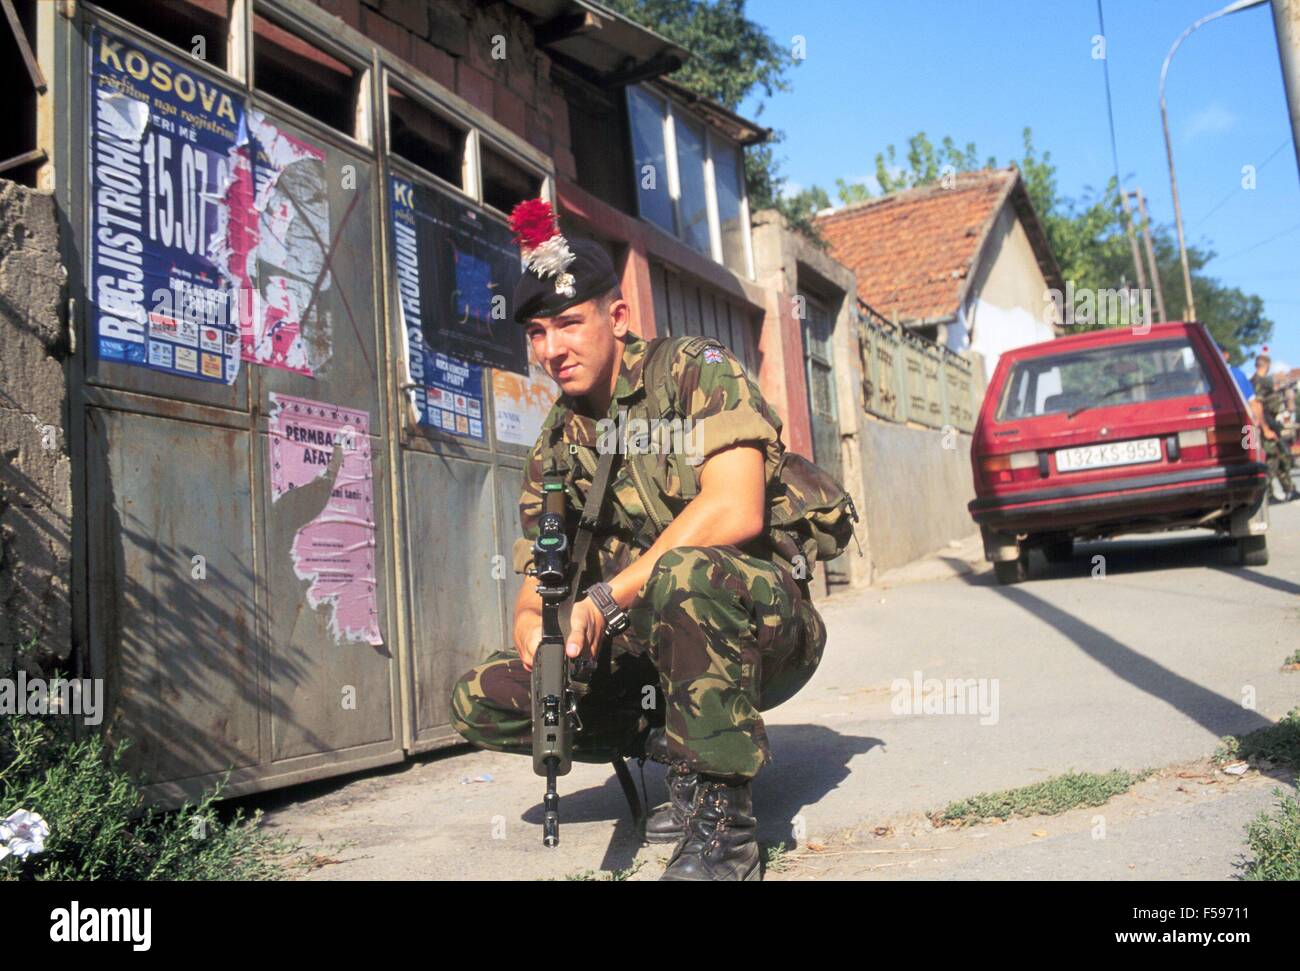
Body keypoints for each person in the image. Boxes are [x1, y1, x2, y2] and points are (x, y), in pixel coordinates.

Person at [449, 200, 827, 881]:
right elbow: (539, 577)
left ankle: (722, 830)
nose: (551, 349)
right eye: (536, 333)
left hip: (765, 625)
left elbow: (736, 507)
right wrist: (539, 632)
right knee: (482, 693)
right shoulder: (555, 447)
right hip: (655, 646)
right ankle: (684, 745)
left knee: (685, 574)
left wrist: (602, 598)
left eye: (567, 323)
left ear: (617, 318)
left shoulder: (694, 371)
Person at [1251, 353, 1296, 501]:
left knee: (1281, 456)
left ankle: (1288, 488)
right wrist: (1266, 428)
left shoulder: (1255, 381)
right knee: (1272, 459)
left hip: (1268, 424)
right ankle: (1269, 494)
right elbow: (1257, 406)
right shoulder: (1260, 382)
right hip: (1265, 425)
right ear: (1266, 365)